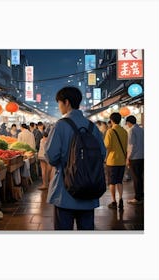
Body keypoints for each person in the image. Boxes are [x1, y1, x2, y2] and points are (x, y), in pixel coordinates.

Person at [45, 86, 106, 230]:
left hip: (65, 190)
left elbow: (51, 156)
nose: (59, 107)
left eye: (59, 103)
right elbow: (102, 153)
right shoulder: (92, 127)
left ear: (66, 102)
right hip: (89, 189)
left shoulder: (60, 125)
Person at [104, 112, 128, 209]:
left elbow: (107, 146)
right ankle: (121, 199)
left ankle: (114, 201)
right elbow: (126, 145)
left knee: (112, 182)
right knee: (119, 181)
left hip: (112, 161)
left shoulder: (110, 131)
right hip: (122, 160)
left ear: (112, 120)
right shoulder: (124, 131)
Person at [125, 115, 144, 204]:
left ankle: (137, 198)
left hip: (134, 158)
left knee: (136, 178)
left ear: (128, 122)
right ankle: (141, 195)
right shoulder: (141, 129)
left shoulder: (131, 130)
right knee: (140, 177)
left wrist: (128, 158)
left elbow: (131, 146)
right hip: (142, 157)